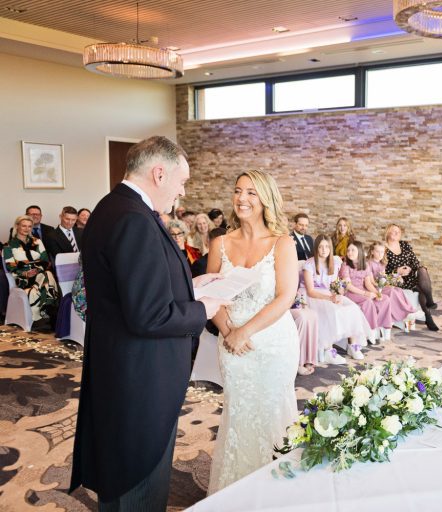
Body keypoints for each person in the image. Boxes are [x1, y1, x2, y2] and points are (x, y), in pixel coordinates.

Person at [69, 135, 229, 511]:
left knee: (128, 476)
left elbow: (133, 285)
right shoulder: (133, 220)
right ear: (159, 173)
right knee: (139, 483)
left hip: (124, 367)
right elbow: (150, 315)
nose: (182, 192)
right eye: (182, 181)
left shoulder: (113, 207)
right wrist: (202, 310)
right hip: (139, 379)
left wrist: (190, 284)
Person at [206, 170, 300, 494]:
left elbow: (286, 296)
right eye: (237, 191)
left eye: (251, 193)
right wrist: (228, 330)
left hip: (273, 343)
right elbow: (210, 294)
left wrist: (245, 331)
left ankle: (278, 493)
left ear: (265, 200)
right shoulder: (219, 243)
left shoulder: (282, 243)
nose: (242, 198)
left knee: (273, 414)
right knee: (239, 414)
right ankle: (236, 492)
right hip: (231, 344)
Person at [302, 234, 371, 362]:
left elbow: (335, 285)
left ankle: (352, 345)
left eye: (327, 247)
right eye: (321, 247)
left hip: (329, 293)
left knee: (353, 308)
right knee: (331, 311)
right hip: (314, 295)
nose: (324, 250)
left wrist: (339, 293)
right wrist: (330, 299)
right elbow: (310, 291)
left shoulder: (335, 263)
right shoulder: (309, 264)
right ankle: (328, 350)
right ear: (316, 248)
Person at [3, 215, 59, 323]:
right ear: (17, 226)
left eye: (29, 226)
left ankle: (44, 311)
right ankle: (48, 308)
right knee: (48, 275)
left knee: (46, 273)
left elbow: (46, 261)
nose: (27, 229)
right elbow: (11, 266)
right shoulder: (8, 245)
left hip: (40, 273)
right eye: (24, 226)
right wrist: (26, 273)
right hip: (23, 278)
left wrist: (37, 270)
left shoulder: (37, 241)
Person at [384, 223, 439, 331]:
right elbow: (382, 269)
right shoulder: (384, 248)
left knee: (422, 270)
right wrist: (397, 271)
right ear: (387, 232)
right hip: (397, 279)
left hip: (410, 275)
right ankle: (428, 315)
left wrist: (411, 269)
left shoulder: (404, 245)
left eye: (398, 232)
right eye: (393, 231)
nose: (396, 233)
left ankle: (430, 301)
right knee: (421, 288)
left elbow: (414, 261)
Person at [340, 241, 395, 343]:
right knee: (367, 301)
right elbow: (348, 285)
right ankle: (370, 330)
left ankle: (385, 327)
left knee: (385, 299)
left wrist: (377, 293)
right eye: (348, 250)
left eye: (353, 250)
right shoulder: (345, 265)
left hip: (362, 290)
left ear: (360, 252)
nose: (350, 252)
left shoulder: (365, 265)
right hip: (350, 292)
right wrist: (366, 294)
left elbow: (368, 284)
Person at [366, 241, 418, 332]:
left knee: (398, 290)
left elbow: (383, 276)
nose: (380, 254)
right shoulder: (368, 263)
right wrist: (383, 283)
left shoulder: (382, 264)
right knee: (391, 290)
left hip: (381, 284)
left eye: (382, 252)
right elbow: (372, 282)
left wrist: (390, 280)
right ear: (372, 252)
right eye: (377, 251)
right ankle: (405, 312)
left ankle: (408, 311)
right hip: (374, 287)